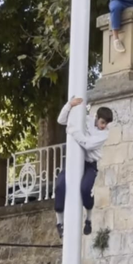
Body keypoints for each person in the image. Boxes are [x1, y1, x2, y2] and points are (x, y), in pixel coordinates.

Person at [53, 96, 113, 239]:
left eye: (106, 123)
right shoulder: (84, 120)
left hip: (90, 165)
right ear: (96, 117)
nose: (104, 126)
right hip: (75, 160)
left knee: (85, 189)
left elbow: (87, 144)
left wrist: (73, 132)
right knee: (60, 185)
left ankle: (89, 218)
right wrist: (69, 105)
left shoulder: (103, 134)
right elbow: (61, 120)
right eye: (102, 122)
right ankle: (59, 222)